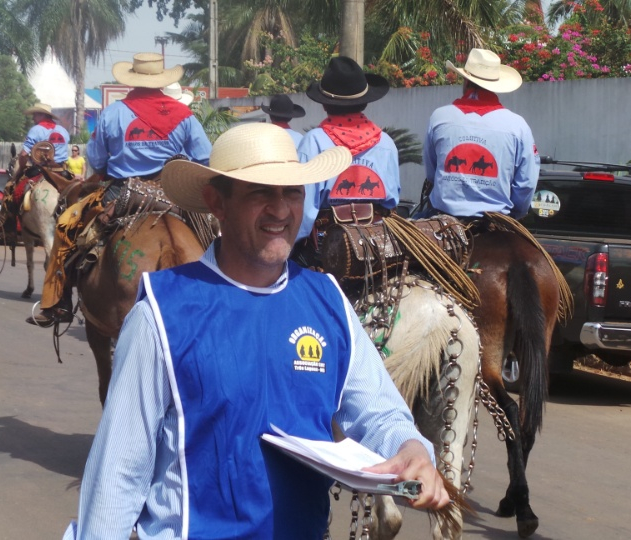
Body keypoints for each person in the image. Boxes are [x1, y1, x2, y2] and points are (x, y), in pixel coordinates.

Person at [62, 123, 449, 539]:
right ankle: (55, 297)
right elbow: (118, 471)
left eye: (293, 192)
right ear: (217, 202)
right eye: (261, 191)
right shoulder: (161, 312)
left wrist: (411, 450)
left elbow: (380, 411)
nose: (281, 210)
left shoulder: (328, 301)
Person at [27, 52, 211, 327]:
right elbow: (204, 158)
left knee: (66, 228)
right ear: (161, 80)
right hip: (172, 193)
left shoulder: (113, 112)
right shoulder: (184, 115)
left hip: (121, 192)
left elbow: (98, 161)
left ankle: (58, 303)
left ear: (132, 80)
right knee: (213, 234)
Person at [421, 48, 539, 220]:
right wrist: (516, 215)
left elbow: (432, 174)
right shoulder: (518, 126)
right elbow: (526, 184)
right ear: (495, 86)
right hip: (496, 220)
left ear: (466, 81)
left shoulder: (440, 117)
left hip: (444, 218)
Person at [295, 56, 401, 243]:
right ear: (365, 102)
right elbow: (392, 201)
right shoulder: (386, 143)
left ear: (324, 104)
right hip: (377, 242)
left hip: (327, 244)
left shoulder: (314, 142)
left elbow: (303, 210)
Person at [17, 102, 71, 174]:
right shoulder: (63, 130)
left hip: (41, 170)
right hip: (62, 171)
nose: (33, 118)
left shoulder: (36, 130)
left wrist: (21, 167)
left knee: (20, 182)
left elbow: (24, 154)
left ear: (42, 115)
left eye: (35, 115)